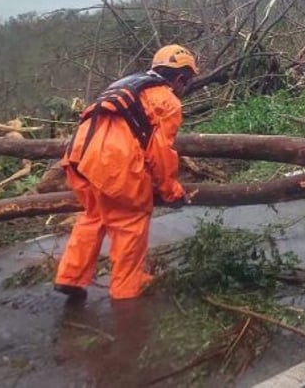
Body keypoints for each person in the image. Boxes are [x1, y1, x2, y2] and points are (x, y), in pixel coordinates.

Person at [54, 44, 198, 301]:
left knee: (94, 215)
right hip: (112, 162)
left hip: (77, 156)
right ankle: (127, 290)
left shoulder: (125, 85)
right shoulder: (168, 100)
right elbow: (161, 152)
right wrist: (171, 191)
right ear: (180, 78)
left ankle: (71, 277)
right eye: (185, 82)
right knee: (129, 221)